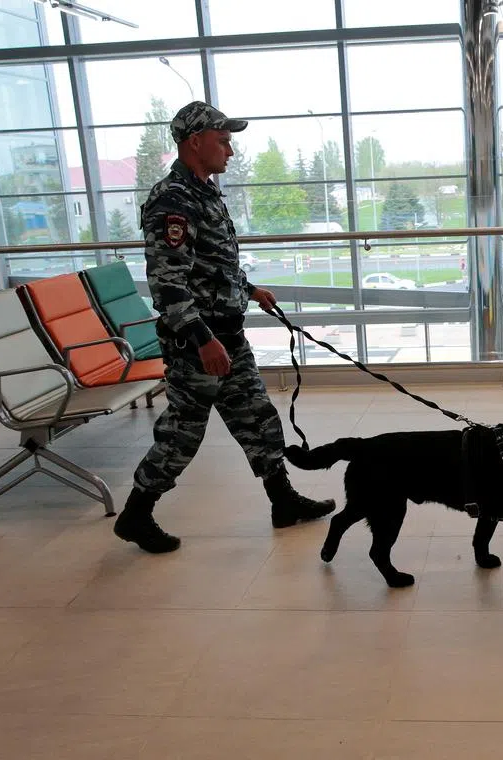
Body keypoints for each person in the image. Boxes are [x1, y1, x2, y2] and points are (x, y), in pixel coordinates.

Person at [114, 101, 335, 554]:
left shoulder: (205, 192)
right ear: (195, 141)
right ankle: (136, 514)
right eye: (223, 140)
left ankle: (283, 502)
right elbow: (168, 283)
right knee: (183, 432)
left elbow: (212, 264)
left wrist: (250, 289)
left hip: (225, 334)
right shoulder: (172, 200)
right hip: (198, 342)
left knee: (257, 417)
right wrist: (202, 340)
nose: (230, 151)